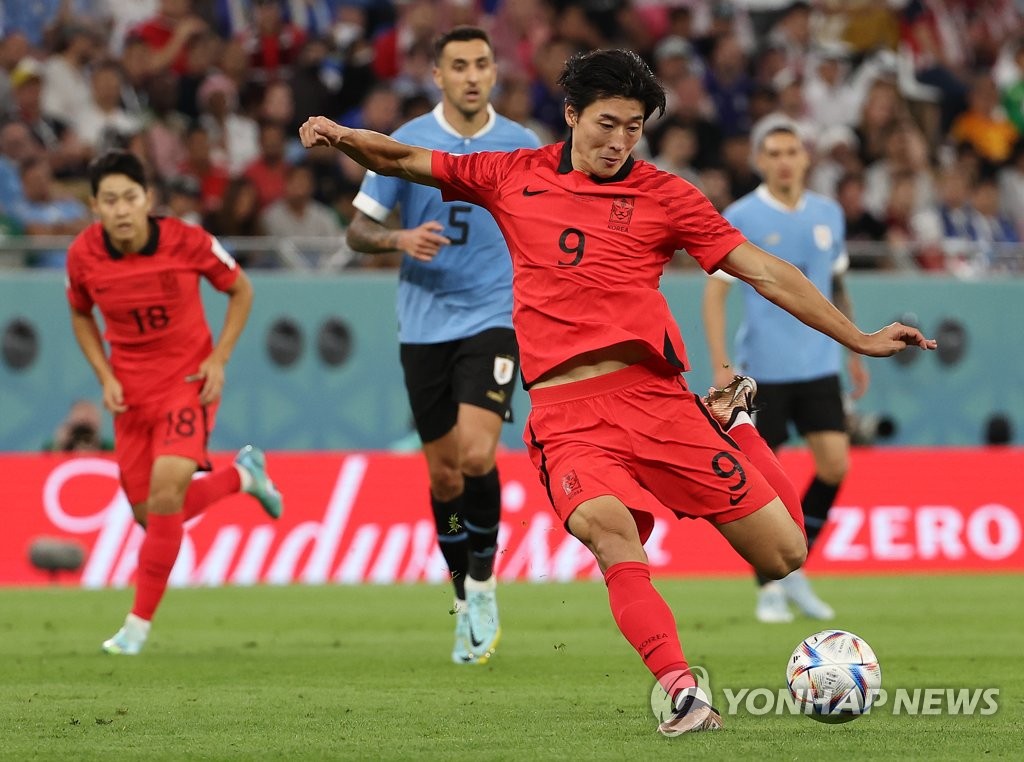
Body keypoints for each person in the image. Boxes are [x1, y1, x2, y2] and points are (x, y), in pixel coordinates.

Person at [299, 48, 935, 735]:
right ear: (571, 115)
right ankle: (682, 692)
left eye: (633, 127)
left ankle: (737, 424)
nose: (619, 140)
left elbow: (765, 272)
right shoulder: (512, 174)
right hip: (569, 417)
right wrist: (341, 136)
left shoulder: (668, 196)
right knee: (612, 535)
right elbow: (401, 161)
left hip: (656, 402)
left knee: (785, 555)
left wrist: (859, 338)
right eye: (607, 123)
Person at [344, 26, 540, 666]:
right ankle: (463, 598)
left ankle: (483, 584)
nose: (472, 76)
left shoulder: (522, 145)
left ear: (494, 70)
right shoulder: (405, 144)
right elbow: (357, 232)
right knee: (444, 472)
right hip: (423, 325)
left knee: (479, 453)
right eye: (459, 65)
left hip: (493, 317)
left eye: (482, 63)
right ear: (438, 75)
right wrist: (397, 241)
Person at [65, 151, 284, 656]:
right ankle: (243, 478)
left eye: (130, 198)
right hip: (129, 394)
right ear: (94, 205)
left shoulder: (188, 241)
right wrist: (103, 374)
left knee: (166, 496)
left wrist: (219, 358)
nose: (121, 210)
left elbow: (241, 290)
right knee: (151, 514)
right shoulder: (83, 256)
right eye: (109, 200)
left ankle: (135, 629)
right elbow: (79, 314)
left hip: (187, 381)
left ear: (148, 200)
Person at [702, 115, 869, 625]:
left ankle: (794, 572)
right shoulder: (741, 214)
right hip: (763, 370)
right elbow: (715, 292)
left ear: (805, 157)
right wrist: (723, 369)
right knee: (762, 487)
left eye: (791, 151)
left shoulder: (828, 214)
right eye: (773, 152)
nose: (783, 160)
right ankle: (769, 587)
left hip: (818, 364)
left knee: (835, 466)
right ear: (759, 161)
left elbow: (835, 286)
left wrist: (854, 350)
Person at [43, 399, 114, 453]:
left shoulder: (108, 447)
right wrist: (61, 444)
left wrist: (96, 447)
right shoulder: (57, 446)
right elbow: (46, 461)